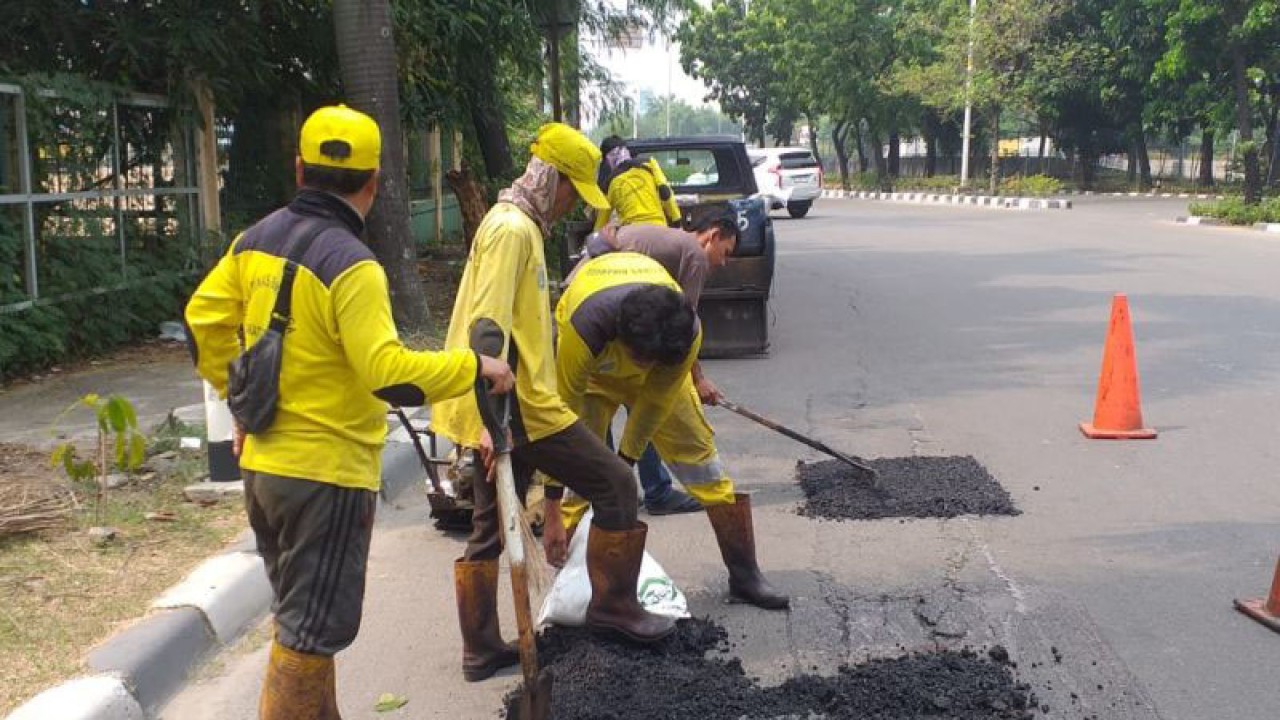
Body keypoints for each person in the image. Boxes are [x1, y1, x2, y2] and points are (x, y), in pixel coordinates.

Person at [184, 105, 514, 720]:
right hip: (326, 478)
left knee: (299, 623)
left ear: (300, 168)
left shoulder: (252, 243)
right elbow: (386, 372)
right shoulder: (352, 265)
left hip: (265, 472)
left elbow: (203, 321)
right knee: (311, 636)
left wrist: (236, 402)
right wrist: (474, 367)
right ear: (374, 182)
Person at [431, 123, 677, 683]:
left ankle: (480, 648)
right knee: (616, 483)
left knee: (495, 523)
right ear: (554, 178)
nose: (572, 208)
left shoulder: (518, 226)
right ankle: (613, 607)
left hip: (514, 401)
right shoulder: (513, 230)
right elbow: (487, 329)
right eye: (573, 193)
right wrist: (493, 425)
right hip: (517, 406)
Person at [545, 251, 789, 611]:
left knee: (704, 466)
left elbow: (652, 406)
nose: (643, 367)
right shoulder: (585, 328)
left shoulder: (684, 333)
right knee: (576, 481)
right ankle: (570, 589)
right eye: (642, 358)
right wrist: (550, 504)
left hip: (656, 375)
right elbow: (560, 417)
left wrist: (624, 464)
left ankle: (745, 575)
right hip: (593, 380)